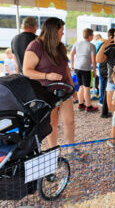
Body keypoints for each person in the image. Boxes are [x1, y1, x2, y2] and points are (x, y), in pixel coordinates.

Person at [23, 18, 77, 149]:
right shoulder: (35, 46)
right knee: (52, 122)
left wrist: (73, 88)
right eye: (61, 31)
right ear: (53, 31)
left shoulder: (60, 46)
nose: (62, 34)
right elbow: (27, 71)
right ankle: (53, 151)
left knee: (69, 121)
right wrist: (46, 75)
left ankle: (72, 148)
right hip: (45, 92)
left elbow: (66, 69)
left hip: (64, 90)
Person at [70, 28, 98, 112]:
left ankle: (81, 104)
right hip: (85, 68)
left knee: (81, 86)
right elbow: (93, 60)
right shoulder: (91, 45)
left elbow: (71, 54)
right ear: (89, 36)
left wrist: (72, 65)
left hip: (77, 68)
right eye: (92, 35)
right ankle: (88, 106)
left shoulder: (77, 43)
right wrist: (94, 70)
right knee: (87, 88)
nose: (93, 37)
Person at [99, 29, 115, 118]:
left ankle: (105, 110)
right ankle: (105, 112)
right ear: (111, 37)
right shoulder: (110, 45)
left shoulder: (103, 44)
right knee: (107, 91)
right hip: (106, 70)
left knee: (105, 90)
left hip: (102, 69)